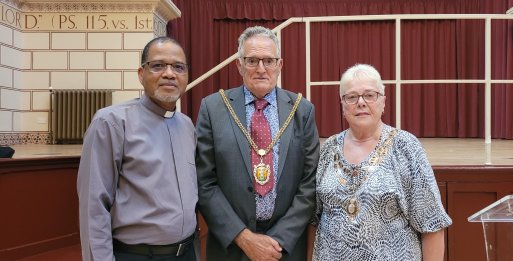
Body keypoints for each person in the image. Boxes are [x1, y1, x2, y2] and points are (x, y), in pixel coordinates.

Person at [196, 25, 320, 261]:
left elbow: (310, 182)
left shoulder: (302, 110)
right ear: (239, 65)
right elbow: (205, 181)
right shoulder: (213, 108)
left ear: (279, 65)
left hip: (285, 250)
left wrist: (278, 241)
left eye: (268, 61)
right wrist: (244, 238)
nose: (261, 69)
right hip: (230, 248)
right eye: (252, 60)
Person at [311, 64, 452, 261]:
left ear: (383, 102)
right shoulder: (328, 149)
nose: (361, 102)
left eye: (370, 95)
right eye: (351, 97)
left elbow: (432, 224)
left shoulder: (406, 147)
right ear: (342, 105)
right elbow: (314, 220)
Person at [77, 37, 200, 261]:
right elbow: (93, 206)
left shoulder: (187, 126)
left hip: (186, 253)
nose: (170, 74)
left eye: (178, 67)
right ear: (141, 74)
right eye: (158, 65)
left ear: (186, 76)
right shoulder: (111, 123)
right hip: (137, 255)